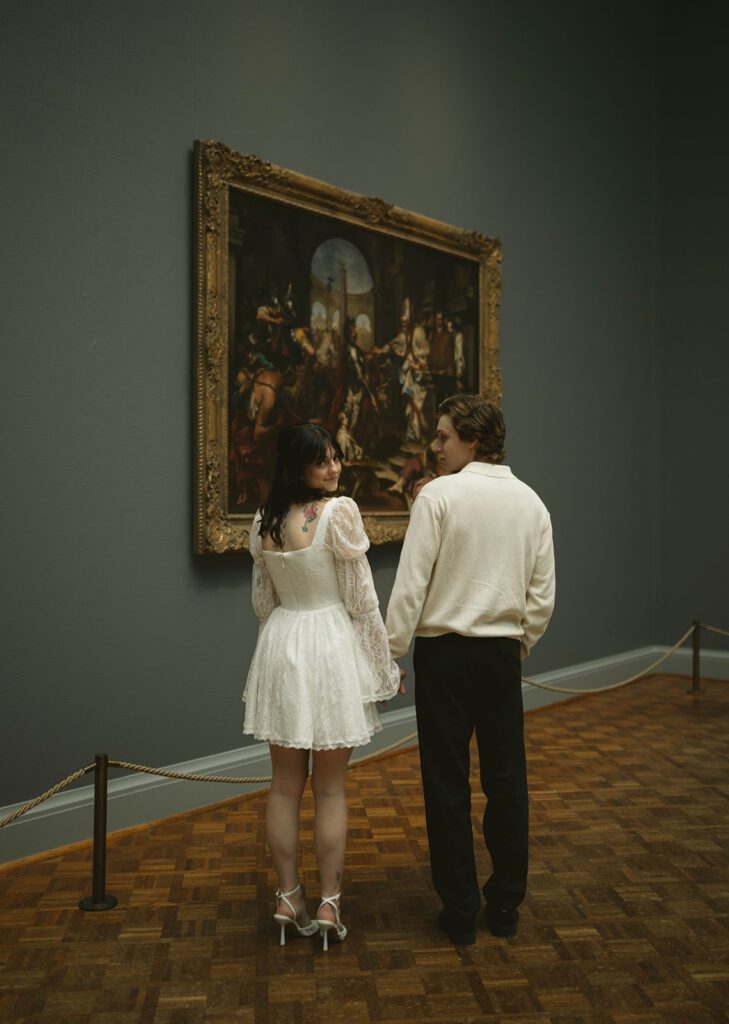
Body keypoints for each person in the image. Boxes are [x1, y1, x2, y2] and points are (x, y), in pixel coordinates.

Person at [386, 394, 555, 946]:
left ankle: (459, 913)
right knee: (507, 783)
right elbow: (542, 595)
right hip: (501, 654)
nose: (433, 447)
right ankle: (504, 906)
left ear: (472, 440)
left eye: (442, 437)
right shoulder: (531, 502)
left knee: (446, 785)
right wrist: (518, 644)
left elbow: (410, 587)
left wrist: (389, 653)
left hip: (444, 656)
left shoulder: (437, 496)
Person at [243, 423, 403, 950]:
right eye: (322, 461)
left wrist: (285, 638)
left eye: (335, 458)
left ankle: (289, 895)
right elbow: (362, 601)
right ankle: (329, 903)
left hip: (283, 644)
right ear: (298, 466)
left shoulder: (264, 521)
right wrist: (385, 669)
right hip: (330, 646)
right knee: (329, 787)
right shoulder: (339, 512)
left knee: (284, 786)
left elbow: (262, 606)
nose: (334, 468)